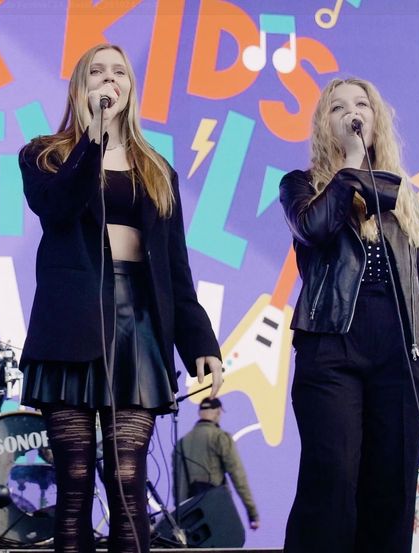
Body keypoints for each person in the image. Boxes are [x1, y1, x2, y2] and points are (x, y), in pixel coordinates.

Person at [18, 43, 223, 553]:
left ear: (132, 88)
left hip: (139, 326)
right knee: (74, 482)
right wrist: (92, 138)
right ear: (79, 87)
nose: (109, 80)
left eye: (119, 73)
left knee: (128, 479)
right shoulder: (45, 154)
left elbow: (176, 268)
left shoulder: (156, 169)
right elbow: (59, 208)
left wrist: (201, 340)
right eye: (97, 72)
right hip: (70, 327)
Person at [278, 77, 419, 553]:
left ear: (377, 119)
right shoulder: (302, 187)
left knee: (393, 491)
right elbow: (314, 229)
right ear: (326, 125)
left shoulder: (404, 196)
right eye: (339, 108)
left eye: (361, 105)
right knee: (333, 481)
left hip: (400, 351)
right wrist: (351, 169)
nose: (352, 113)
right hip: (331, 346)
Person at [172, 397, 258, 545]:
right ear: (217, 412)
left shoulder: (182, 443)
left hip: (190, 517)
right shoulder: (220, 437)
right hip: (215, 508)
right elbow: (238, 476)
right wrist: (252, 514)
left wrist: (179, 521)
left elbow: (178, 487)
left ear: (200, 413)